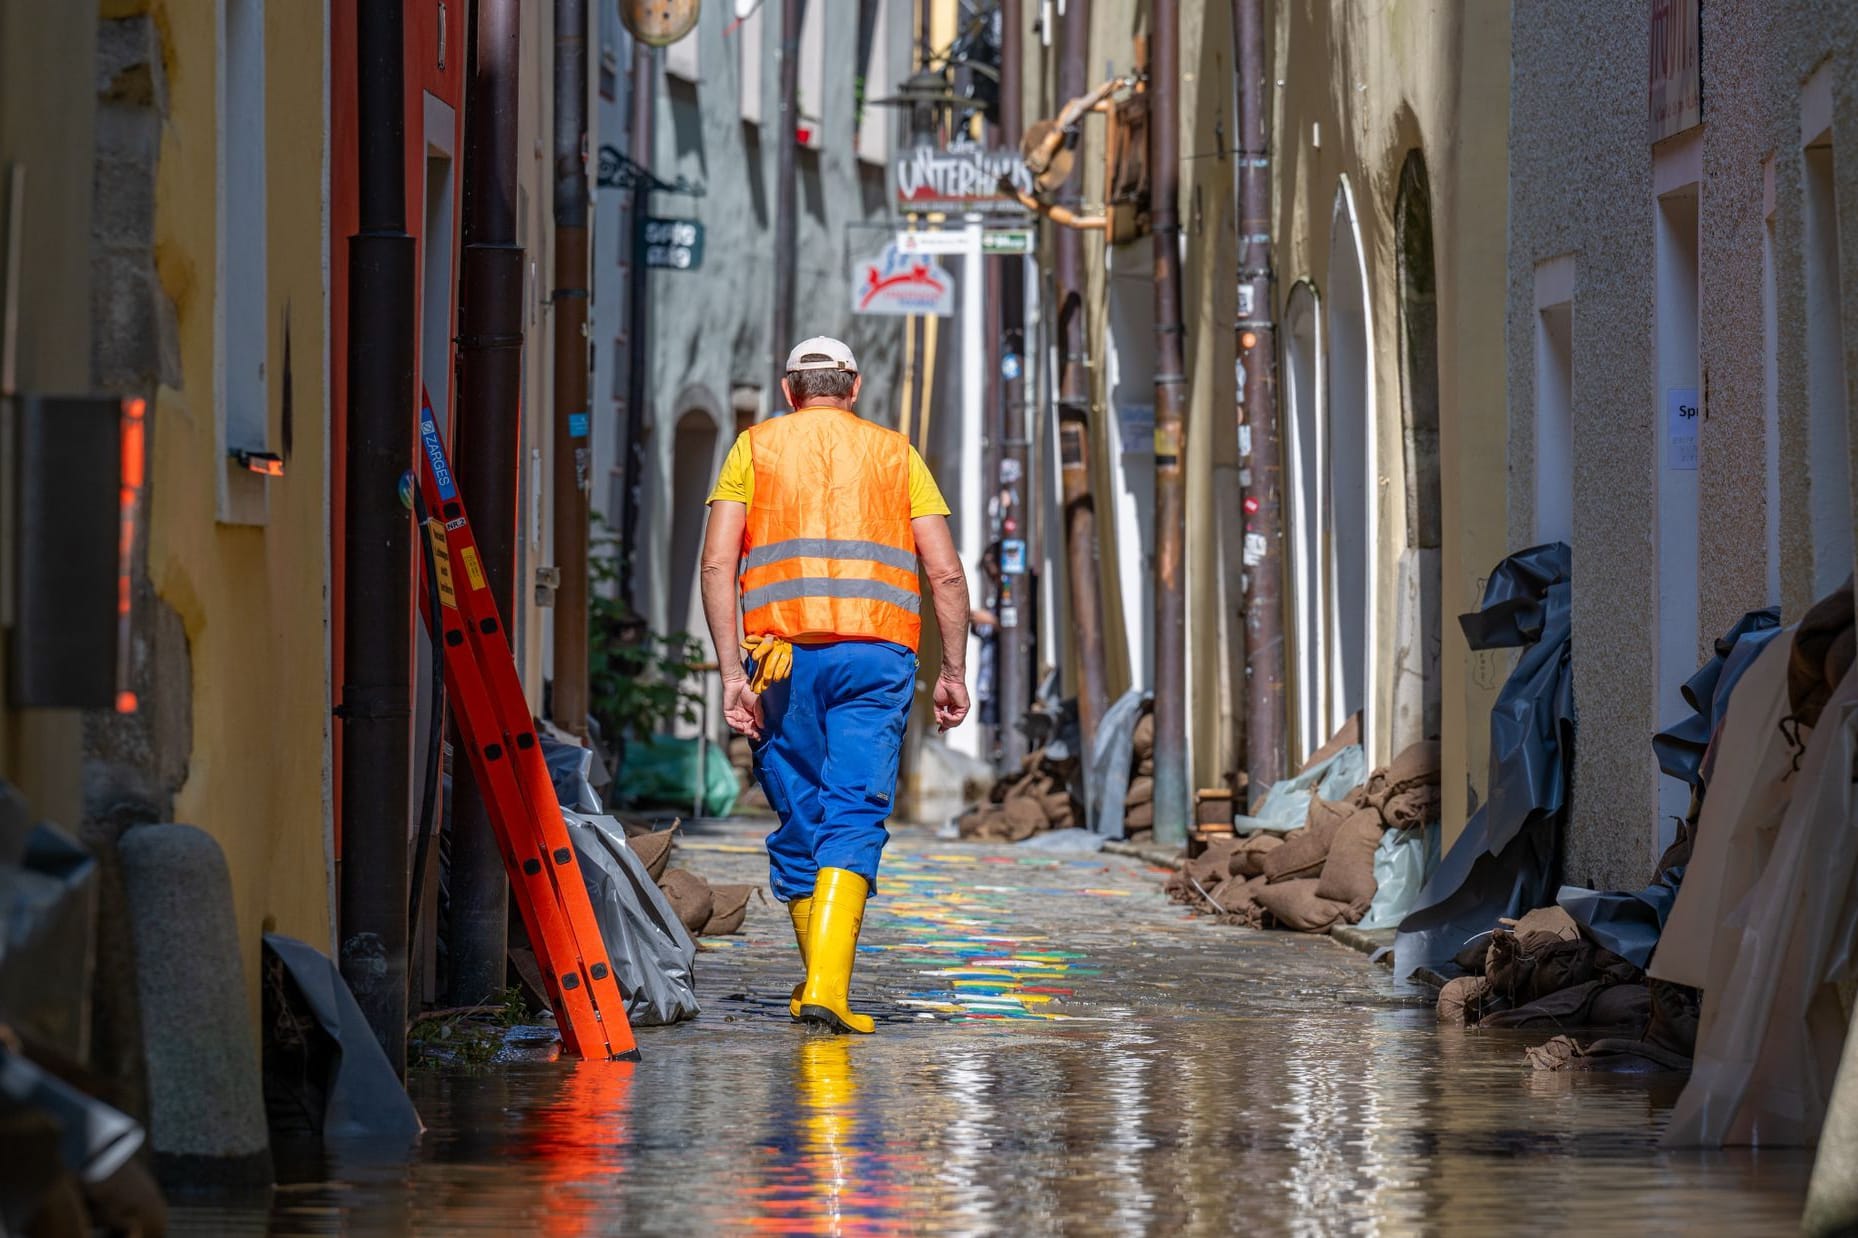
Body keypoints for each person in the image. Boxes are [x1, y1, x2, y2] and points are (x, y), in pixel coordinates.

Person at [699, 336, 971, 1034]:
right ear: (853, 387)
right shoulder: (896, 453)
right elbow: (943, 571)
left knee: (800, 819)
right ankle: (825, 985)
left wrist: (732, 674)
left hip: (782, 660)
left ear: (790, 390)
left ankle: (822, 981)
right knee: (853, 811)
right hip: (876, 659)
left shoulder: (752, 449)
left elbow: (715, 564)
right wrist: (953, 671)